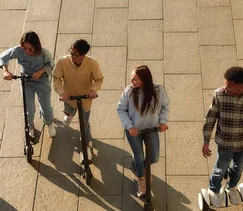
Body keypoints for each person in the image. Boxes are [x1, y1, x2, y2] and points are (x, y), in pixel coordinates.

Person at [202, 66, 243, 207]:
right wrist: (206, 141)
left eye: (228, 87)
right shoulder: (219, 95)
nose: (225, 89)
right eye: (225, 85)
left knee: (239, 167)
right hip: (224, 142)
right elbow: (210, 118)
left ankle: (231, 187)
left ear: (240, 86)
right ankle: (214, 189)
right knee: (221, 167)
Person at [116, 65, 170, 196]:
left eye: (135, 79)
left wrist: (163, 122)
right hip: (134, 131)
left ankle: (143, 167)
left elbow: (165, 106)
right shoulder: (129, 92)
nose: (131, 82)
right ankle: (141, 178)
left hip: (151, 130)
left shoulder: (158, 90)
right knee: (139, 156)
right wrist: (130, 126)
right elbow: (120, 109)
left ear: (144, 80)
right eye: (131, 78)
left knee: (154, 157)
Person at [52, 39, 104, 161]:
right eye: (71, 51)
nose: (72, 56)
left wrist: (93, 90)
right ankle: (69, 115)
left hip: (85, 100)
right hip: (69, 97)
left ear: (83, 55)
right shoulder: (62, 62)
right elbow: (56, 78)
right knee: (69, 111)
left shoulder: (92, 64)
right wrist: (62, 92)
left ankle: (85, 146)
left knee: (85, 124)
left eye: (75, 54)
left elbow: (99, 79)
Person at [0, 31, 56, 139]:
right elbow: (3, 57)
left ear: (36, 47)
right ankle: (30, 126)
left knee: (46, 107)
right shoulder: (18, 51)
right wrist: (5, 70)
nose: (26, 51)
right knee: (28, 109)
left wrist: (41, 71)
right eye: (24, 48)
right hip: (26, 80)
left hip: (41, 81)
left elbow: (51, 65)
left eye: (30, 49)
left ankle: (49, 122)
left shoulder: (44, 53)